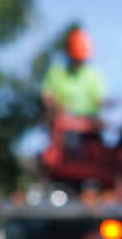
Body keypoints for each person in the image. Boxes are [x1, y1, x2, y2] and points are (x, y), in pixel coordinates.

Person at [41, 26, 108, 155]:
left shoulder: (93, 76)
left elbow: (100, 101)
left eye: (81, 60)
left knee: (97, 144)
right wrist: (56, 107)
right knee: (71, 141)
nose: (78, 63)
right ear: (68, 54)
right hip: (65, 125)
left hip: (88, 125)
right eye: (75, 59)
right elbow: (47, 97)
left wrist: (106, 107)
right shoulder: (56, 73)